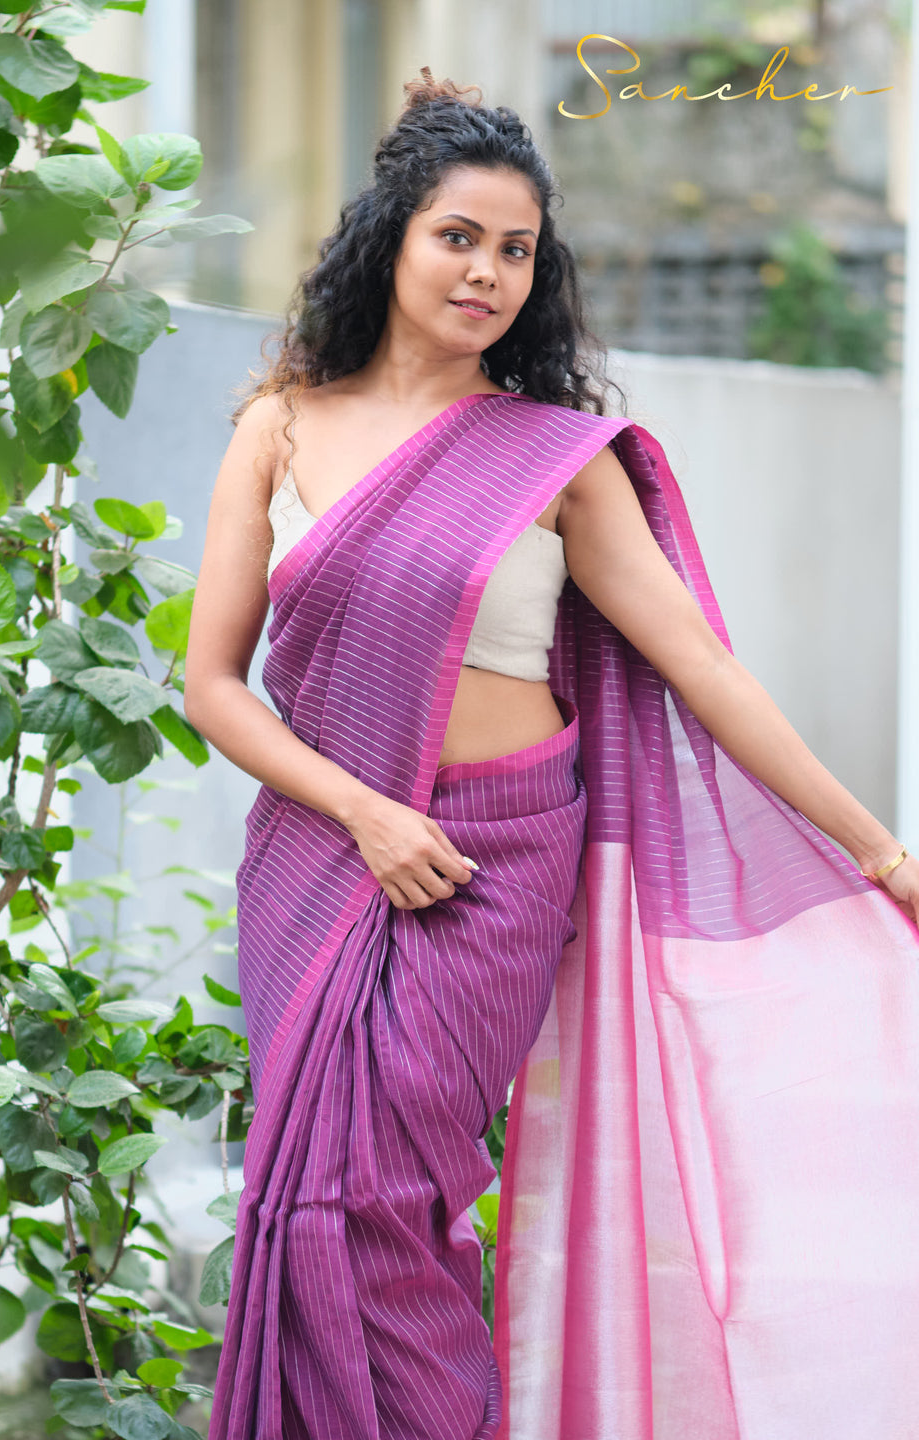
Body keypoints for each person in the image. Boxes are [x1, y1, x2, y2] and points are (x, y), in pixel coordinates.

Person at [183, 70, 919, 1440]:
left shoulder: (556, 459)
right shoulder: (279, 426)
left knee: (380, 1197)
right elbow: (212, 685)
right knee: (305, 1200)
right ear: (391, 238)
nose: (487, 272)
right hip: (325, 855)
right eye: (459, 237)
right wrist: (364, 813)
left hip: (490, 864)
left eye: (516, 250)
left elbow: (705, 670)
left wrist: (881, 852)